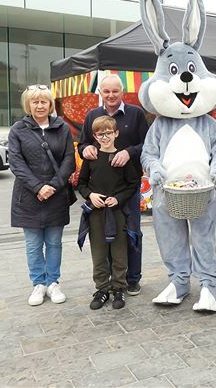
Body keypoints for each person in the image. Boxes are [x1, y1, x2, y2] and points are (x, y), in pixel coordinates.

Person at [78, 74, 148, 296]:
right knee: (104, 234)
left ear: (122, 92)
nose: (110, 96)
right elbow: (83, 143)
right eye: (106, 91)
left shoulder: (135, 113)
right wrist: (85, 149)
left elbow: (146, 144)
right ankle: (109, 281)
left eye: (114, 91)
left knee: (131, 231)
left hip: (128, 186)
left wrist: (129, 152)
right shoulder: (92, 115)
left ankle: (132, 278)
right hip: (102, 189)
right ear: (100, 92)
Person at [9, 85, 76, 306]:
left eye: (44, 101)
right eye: (35, 101)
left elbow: (69, 159)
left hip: (56, 195)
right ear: (28, 105)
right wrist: (38, 187)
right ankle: (38, 284)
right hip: (28, 196)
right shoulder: (18, 129)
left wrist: (54, 186)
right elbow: (16, 163)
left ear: (50, 104)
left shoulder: (61, 128)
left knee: (54, 242)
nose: (39, 105)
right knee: (33, 244)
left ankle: (53, 282)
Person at [78, 116, 139, 310]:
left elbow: (132, 184)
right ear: (94, 136)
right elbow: (81, 183)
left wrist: (119, 198)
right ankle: (102, 288)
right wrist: (90, 195)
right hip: (96, 212)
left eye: (108, 133)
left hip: (117, 212)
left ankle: (119, 287)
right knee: (99, 251)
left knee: (119, 251)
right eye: (100, 134)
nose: (105, 137)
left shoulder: (122, 158)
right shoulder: (91, 159)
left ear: (116, 133)